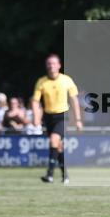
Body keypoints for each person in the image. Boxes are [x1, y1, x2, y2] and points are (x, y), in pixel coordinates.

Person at [32, 54, 83, 184]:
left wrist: (78, 120)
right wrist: (36, 117)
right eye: (49, 63)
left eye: (54, 63)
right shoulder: (42, 82)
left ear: (59, 65)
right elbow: (35, 101)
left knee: (53, 140)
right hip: (48, 117)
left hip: (62, 116)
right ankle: (65, 175)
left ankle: (49, 175)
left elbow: (74, 100)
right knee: (58, 147)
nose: (51, 66)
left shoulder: (66, 80)